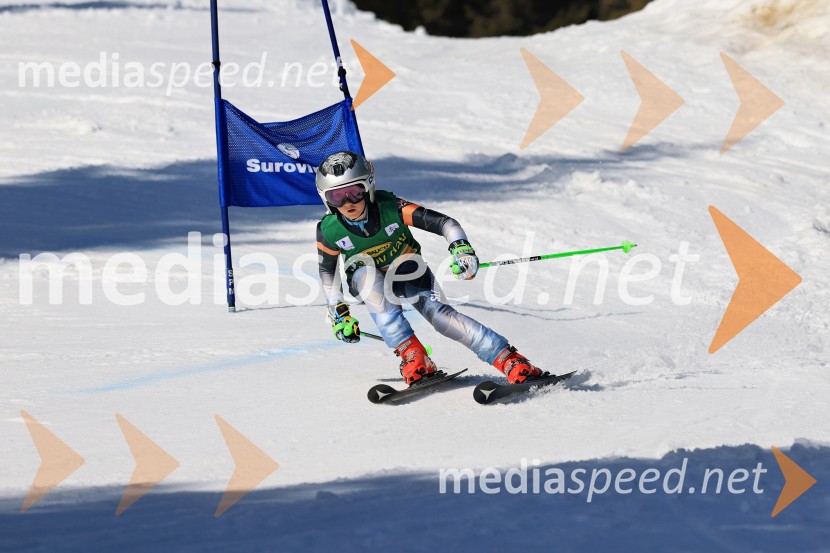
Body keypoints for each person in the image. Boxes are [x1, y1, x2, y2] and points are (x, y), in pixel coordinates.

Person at [315, 150, 544, 387]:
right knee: (370, 282)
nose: (347, 203)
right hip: (365, 276)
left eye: (355, 191)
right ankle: (413, 356)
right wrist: (338, 312)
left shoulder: (390, 207)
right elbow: (328, 272)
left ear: (369, 186)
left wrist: (461, 248)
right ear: (326, 199)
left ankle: (508, 359)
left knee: (442, 318)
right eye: (336, 196)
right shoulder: (328, 230)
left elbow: (446, 223)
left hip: (407, 270)